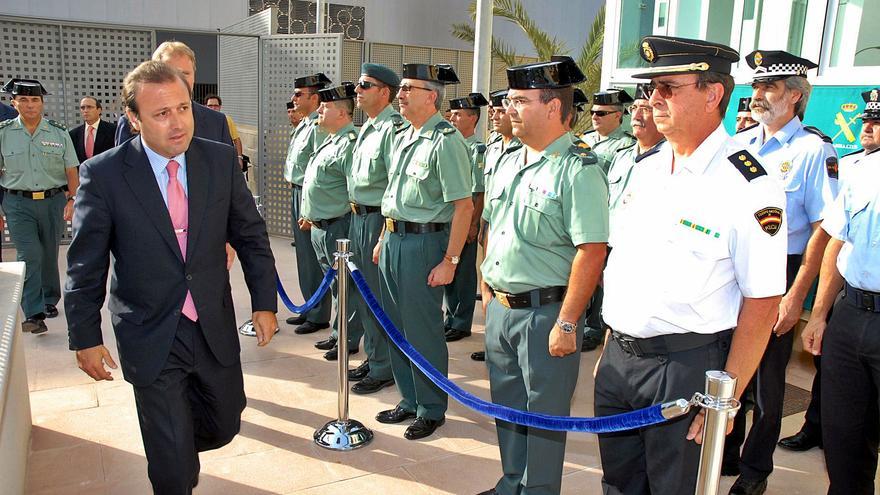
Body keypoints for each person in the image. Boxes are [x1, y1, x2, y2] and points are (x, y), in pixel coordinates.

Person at [64, 60, 278, 494]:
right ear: (134, 118)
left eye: (183, 108)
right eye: (161, 113)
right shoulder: (104, 174)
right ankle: (174, 462)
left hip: (211, 324)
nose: (178, 123)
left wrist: (264, 302)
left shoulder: (219, 160)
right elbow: (85, 264)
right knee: (172, 466)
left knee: (224, 422)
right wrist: (84, 337)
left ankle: (180, 449)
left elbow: (251, 236)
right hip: (149, 329)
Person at [595, 36, 787, 494]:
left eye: (668, 87)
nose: (653, 99)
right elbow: (625, 268)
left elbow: (763, 300)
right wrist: (609, 348)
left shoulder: (747, 182)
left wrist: (726, 397)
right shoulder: (646, 167)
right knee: (618, 486)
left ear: (712, 93)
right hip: (620, 361)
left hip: (685, 368)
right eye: (650, 89)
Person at [477, 56, 608, 495]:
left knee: (544, 417)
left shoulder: (579, 169)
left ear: (553, 107)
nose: (508, 108)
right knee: (508, 408)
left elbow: (592, 251)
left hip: (546, 313)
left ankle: (538, 489)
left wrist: (568, 322)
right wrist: (486, 290)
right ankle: (511, 482)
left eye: (520, 100)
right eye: (509, 100)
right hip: (502, 308)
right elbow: (492, 229)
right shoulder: (508, 160)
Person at [726, 50, 837, 495]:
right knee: (729, 367)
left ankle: (754, 473)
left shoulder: (812, 150)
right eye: (756, 86)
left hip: (781, 272)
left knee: (768, 386)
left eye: (768, 87)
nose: (758, 95)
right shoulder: (741, 144)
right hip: (733, 269)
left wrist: (796, 295)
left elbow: (824, 229)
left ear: (794, 96)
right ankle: (726, 451)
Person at [374, 63, 473, 440]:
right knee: (396, 325)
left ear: (431, 96)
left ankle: (431, 407)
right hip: (394, 238)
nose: (399, 95)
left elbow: (463, 206)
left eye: (407, 89)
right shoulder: (404, 135)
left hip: (424, 243)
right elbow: (393, 195)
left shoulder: (446, 141)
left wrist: (450, 261)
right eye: (400, 89)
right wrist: (383, 237)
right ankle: (409, 398)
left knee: (422, 330)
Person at [801, 88, 880, 495]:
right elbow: (836, 240)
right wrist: (818, 315)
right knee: (844, 439)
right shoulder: (863, 170)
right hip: (850, 316)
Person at [0, 79, 79, 335]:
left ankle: (49, 298)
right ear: (14, 103)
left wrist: (72, 199)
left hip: (52, 201)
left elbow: (71, 170)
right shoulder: (3, 133)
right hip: (17, 202)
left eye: (35, 100)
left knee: (48, 252)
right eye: (23, 100)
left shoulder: (58, 132)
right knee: (29, 254)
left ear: (42, 103)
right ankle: (33, 313)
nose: (29, 105)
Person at [346, 62, 404, 394]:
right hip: (358, 218)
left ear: (384, 92)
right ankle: (375, 356)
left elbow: (394, 183)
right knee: (363, 294)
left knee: (378, 297)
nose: (358, 90)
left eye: (365, 85)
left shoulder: (392, 128)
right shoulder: (368, 126)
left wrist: (383, 232)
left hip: (377, 220)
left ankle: (384, 367)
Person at [299, 82, 363, 361]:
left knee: (347, 287)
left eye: (325, 107)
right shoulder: (330, 139)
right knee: (336, 286)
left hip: (339, 225)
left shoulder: (349, 144)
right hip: (320, 226)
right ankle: (338, 332)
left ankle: (348, 338)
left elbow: (354, 190)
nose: (319, 111)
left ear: (342, 113)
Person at [578, 88, 636, 352]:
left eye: (602, 113)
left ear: (618, 116)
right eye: (593, 112)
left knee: (601, 276)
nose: (595, 117)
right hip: (580, 218)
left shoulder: (625, 146)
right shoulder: (584, 140)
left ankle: (595, 326)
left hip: (605, 221)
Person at [471, 89, 523, 363]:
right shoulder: (493, 147)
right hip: (490, 223)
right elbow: (484, 189)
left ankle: (501, 340)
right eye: (493, 110)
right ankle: (492, 338)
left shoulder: (522, 150)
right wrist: (480, 223)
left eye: (501, 110)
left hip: (510, 228)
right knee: (487, 281)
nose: (495, 115)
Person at [284, 72, 332, 334]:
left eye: (299, 94)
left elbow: (318, 170)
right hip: (297, 191)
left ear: (314, 98)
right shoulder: (304, 124)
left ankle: (318, 314)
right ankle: (309, 306)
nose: (294, 98)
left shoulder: (318, 127)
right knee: (303, 255)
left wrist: (311, 206)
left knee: (314, 258)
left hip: (308, 194)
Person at [114, 41, 233, 148]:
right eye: (171, 74)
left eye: (185, 74)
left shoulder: (217, 122)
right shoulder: (133, 121)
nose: (180, 80)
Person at [445, 92, 489, 343]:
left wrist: (473, 224)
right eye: (452, 114)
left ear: (472, 118)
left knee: (462, 272)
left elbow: (478, 191)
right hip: (449, 216)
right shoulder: (452, 144)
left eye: (458, 114)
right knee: (449, 268)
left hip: (466, 216)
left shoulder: (476, 149)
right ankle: (450, 317)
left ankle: (461, 322)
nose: (452, 118)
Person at [607, 82, 665, 247]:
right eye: (634, 108)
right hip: (608, 248)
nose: (636, 116)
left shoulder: (669, 160)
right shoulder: (621, 157)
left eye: (646, 109)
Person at [69, 96, 115, 164]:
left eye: (89, 107)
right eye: (82, 108)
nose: (85, 110)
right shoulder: (73, 134)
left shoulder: (113, 130)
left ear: (99, 110)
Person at [204, 94, 244, 169]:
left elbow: (236, 140)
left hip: (224, 159)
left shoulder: (227, 119)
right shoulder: (200, 121)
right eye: (210, 105)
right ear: (205, 106)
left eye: (216, 106)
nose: (213, 108)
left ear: (220, 107)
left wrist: (239, 158)